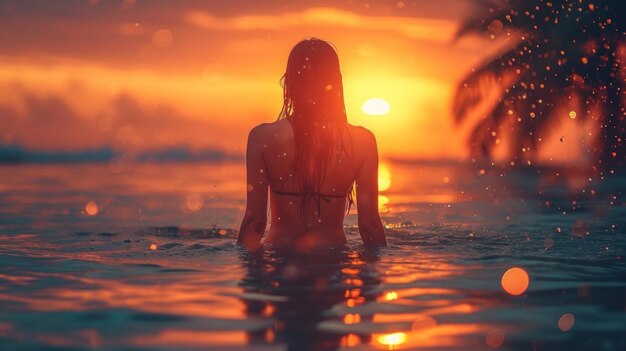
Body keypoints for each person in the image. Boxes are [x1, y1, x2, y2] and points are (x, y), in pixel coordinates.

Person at [237, 38, 386, 250]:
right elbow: (369, 226)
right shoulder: (362, 142)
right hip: (333, 260)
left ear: (289, 81)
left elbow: (256, 221)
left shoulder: (263, 137)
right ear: (335, 82)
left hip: (281, 259)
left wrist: (245, 273)